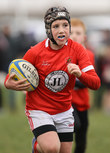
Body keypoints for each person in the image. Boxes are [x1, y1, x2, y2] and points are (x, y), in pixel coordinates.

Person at [4, 7, 101, 153]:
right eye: (56, 26)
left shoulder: (78, 50)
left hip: (64, 111)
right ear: (48, 29)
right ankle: (37, 146)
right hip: (39, 110)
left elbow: (96, 83)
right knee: (51, 148)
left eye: (65, 25)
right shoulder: (35, 52)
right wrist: (8, 84)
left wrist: (80, 74)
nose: (62, 30)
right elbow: (11, 75)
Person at [70, 18, 95, 153]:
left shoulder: (89, 54)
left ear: (84, 37)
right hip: (66, 103)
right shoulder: (63, 54)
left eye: (78, 33)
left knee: (81, 140)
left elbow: (89, 81)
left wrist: (71, 81)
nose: (74, 36)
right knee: (74, 127)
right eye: (71, 32)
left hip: (83, 103)